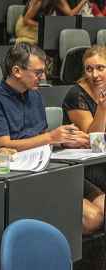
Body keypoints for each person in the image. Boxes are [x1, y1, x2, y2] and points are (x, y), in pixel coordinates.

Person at [0, 43, 101, 234]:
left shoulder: (35, 95)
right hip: (21, 177)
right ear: (17, 71)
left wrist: (64, 140)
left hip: (48, 167)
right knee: (92, 218)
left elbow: (41, 139)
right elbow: (2, 144)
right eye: (37, 72)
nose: (43, 77)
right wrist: (51, 137)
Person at [62, 45, 106, 233]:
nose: (94, 74)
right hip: (89, 167)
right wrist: (102, 109)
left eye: (100, 68)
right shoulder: (76, 94)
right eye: (89, 69)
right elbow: (93, 138)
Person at [15, 0, 88, 44]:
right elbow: (26, 20)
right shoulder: (38, 1)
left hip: (41, 26)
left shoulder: (58, 1)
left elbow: (70, 14)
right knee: (47, 40)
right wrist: (45, 26)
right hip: (26, 26)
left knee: (56, 37)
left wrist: (82, 2)